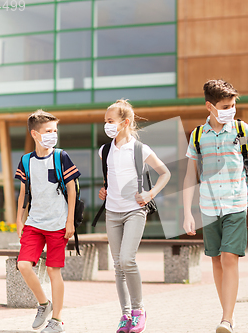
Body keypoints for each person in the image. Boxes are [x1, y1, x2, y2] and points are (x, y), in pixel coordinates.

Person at [183, 79, 248, 333]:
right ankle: (227, 313)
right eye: (226, 106)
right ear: (210, 106)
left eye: (233, 105)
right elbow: (189, 176)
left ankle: (227, 319)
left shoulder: (241, 130)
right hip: (208, 207)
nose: (231, 110)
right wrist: (187, 213)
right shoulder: (197, 135)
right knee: (216, 260)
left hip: (236, 203)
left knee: (229, 257)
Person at [97, 99, 171, 333]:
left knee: (127, 260)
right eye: (105, 121)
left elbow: (164, 173)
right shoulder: (104, 150)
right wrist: (104, 189)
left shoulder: (140, 149)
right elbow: (112, 178)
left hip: (134, 211)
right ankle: (125, 315)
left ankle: (139, 311)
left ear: (125, 122)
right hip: (112, 212)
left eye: (110, 121)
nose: (107, 126)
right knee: (118, 266)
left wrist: (150, 193)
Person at [15, 110, 81, 333]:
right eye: (48, 131)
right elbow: (23, 193)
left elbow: (71, 190)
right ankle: (44, 304)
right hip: (34, 223)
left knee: (54, 271)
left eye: (55, 130)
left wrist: (70, 220)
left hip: (58, 224)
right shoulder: (26, 160)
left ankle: (57, 320)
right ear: (35, 134)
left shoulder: (61, 156)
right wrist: (18, 220)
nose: (53, 134)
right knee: (23, 265)